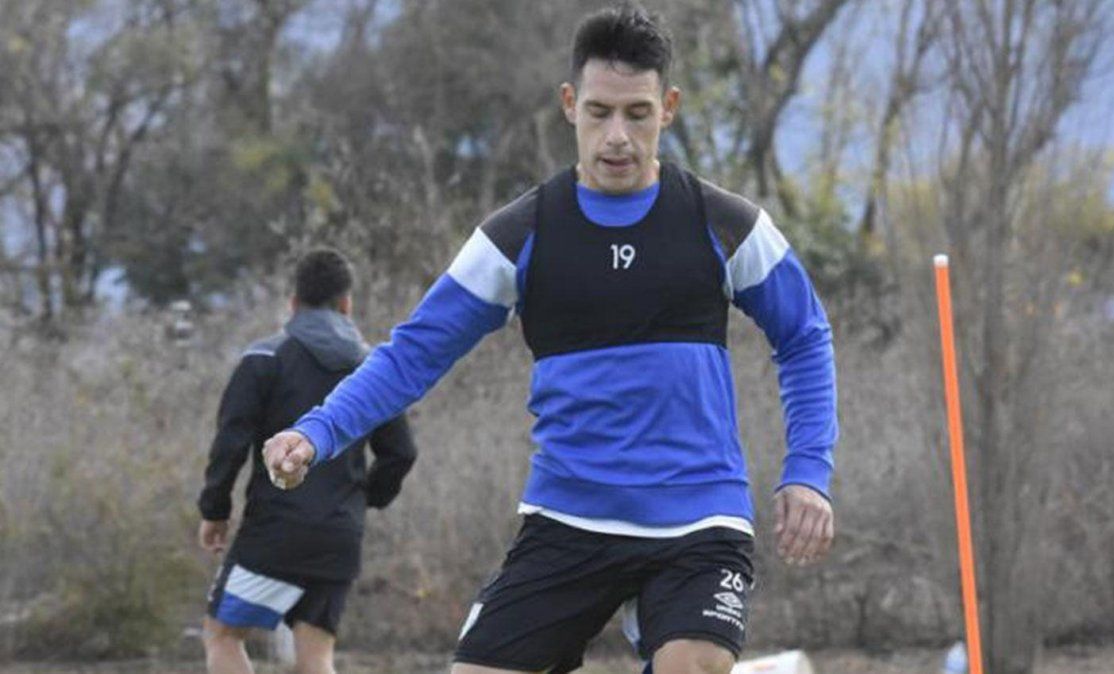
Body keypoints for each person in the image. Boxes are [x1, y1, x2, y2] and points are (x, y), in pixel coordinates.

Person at [264, 4, 837, 673]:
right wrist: (318, 430)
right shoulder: (520, 235)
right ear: (569, 104)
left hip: (699, 521)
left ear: (669, 108)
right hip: (568, 520)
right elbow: (412, 354)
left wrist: (808, 473)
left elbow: (804, 336)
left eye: (637, 114)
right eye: (599, 112)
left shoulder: (725, 224)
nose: (617, 136)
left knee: (693, 663)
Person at [197, 248, 418, 674]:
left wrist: (214, 510)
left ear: (293, 303)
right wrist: (362, 499)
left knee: (222, 635)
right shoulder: (372, 369)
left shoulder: (264, 359)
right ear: (346, 305)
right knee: (316, 658)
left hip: (275, 531)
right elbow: (401, 452)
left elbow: (230, 443)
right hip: (340, 533)